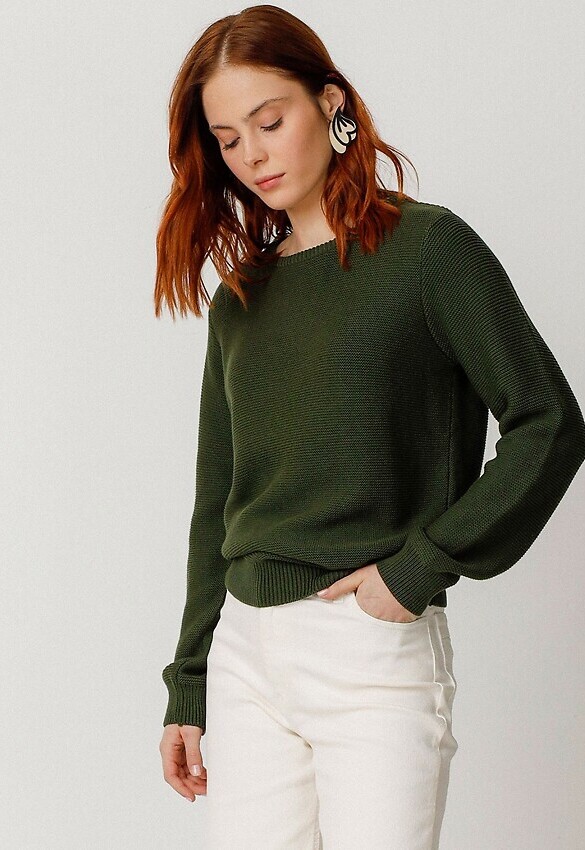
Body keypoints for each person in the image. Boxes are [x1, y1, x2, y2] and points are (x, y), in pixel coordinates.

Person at [155, 5, 585, 849]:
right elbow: (219, 503)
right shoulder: (239, 301)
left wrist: (419, 566)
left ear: (330, 103)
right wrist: (190, 680)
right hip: (245, 656)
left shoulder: (428, 250)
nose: (252, 156)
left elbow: (547, 421)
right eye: (228, 140)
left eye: (269, 122)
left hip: (369, 651)